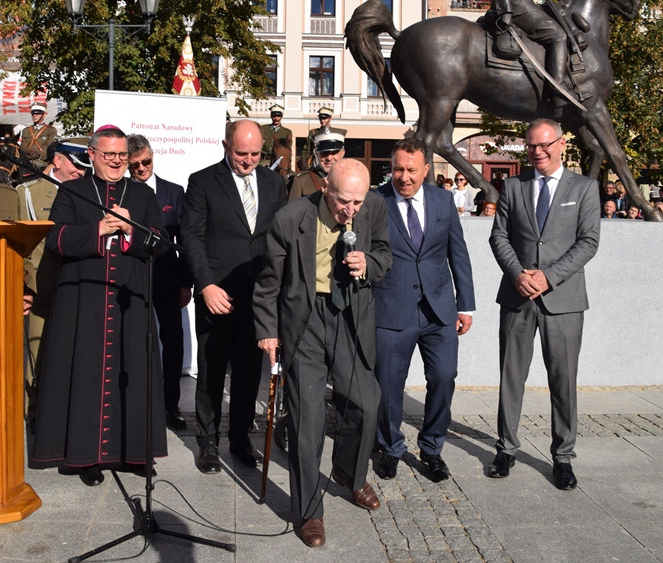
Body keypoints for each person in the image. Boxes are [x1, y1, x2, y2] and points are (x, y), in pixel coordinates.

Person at [254, 159, 391, 547]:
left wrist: (369, 263)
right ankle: (309, 510)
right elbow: (268, 281)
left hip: (351, 316)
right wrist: (267, 330)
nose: (351, 210)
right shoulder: (291, 217)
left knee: (366, 403)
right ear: (325, 188)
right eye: (344, 201)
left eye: (358, 203)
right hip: (306, 318)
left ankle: (349, 474)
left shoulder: (374, 207)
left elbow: (385, 254)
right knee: (308, 419)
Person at [31, 125, 166, 487]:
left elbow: (161, 243)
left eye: (122, 156)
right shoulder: (73, 191)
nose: (118, 162)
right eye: (110, 156)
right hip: (83, 301)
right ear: (91, 156)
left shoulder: (142, 195)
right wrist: (99, 230)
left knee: (131, 373)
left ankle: (132, 453)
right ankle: (84, 457)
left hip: (129, 300)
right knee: (86, 374)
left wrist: (129, 231)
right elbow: (55, 239)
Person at [487, 118, 601, 490]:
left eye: (545, 144)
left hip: (563, 299)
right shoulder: (514, 186)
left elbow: (588, 242)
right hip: (517, 295)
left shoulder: (584, 188)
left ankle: (563, 457)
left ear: (562, 143)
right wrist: (519, 273)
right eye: (532, 145)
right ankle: (506, 448)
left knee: (563, 380)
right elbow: (499, 236)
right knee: (511, 377)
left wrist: (548, 276)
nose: (538, 151)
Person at [181, 120, 287, 474]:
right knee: (211, 372)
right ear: (225, 146)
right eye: (241, 153)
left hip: (259, 296)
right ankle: (208, 441)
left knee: (247, 372)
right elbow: (192, 238)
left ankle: (240, 438)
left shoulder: (274, 183)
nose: (248, 160)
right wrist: (206, 285)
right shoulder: (203, 181)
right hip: (218, 293)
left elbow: (280, 238)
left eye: (255, 153)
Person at [373, 139, 474, 483]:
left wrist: (467, 305)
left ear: (426, 169)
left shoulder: (443, 200)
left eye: (411, 170)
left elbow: (457, 253)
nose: (404, 177)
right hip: (390, 310)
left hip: (439, 310)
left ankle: (431, 448)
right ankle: (390, 447)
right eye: (398, 169)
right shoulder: (375, 202)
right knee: (388, 386)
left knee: (444, 378)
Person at [17, 138, 90, 427]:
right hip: (43, 288)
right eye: (75, 164)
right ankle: (35, 414)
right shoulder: (28, 194)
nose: (80, 171)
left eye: (85, 165)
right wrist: (24, 286)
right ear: (57, 160)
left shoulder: (88, 191)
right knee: (38, 353)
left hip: (78, 286)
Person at [127, 134, 193, 430]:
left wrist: (186, 282)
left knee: (173, 342)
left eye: (146, 162)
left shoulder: (173, 192)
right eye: (135, 165)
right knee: (136, 342)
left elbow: (185, 240)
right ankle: (137, 403)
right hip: (135, 279)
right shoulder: (123, 192)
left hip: (167, 278)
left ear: (153, 157)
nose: (142, 168)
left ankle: (171, 405)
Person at [290, 132, 345, 200]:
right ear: (316, 154)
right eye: (324, 153)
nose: (329, 158)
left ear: (342, 153)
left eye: (334, 153)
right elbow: (292, 209)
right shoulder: (301, 181)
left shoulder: (353, 180)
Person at [19, 104, 58, 171]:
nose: (34, 115)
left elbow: (51, 149)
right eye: (33, 113)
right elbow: (23, 147)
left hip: (42, 162)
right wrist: (28, 151)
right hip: (26, 161)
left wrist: (39, 155)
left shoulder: (51, 130)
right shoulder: (26, 130)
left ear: (44, 115)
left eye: (38, 113)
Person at [260, 107, 293, 172]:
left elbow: (288, 149)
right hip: (263, 160)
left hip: (280, 162)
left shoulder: (287, 132)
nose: (276, 118)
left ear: (282, 116)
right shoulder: (263, 129)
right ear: (271, 116)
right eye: (274, 116)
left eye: (278, 116)